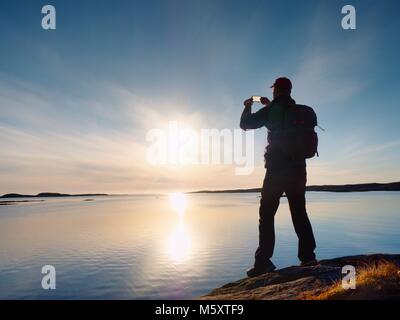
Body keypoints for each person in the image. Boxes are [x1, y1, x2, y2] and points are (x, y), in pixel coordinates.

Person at [240, 77, 317, 277]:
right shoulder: (301, 111)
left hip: (276, 169)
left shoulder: (270, 111)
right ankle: (308, 258)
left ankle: (263, 262)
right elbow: (285, 120)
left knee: (266, 215)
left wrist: (248, 107)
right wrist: (271, 106)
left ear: (275, 91)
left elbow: (245, 124)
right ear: (290, 91)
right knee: (299, 212)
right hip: (299, 169)